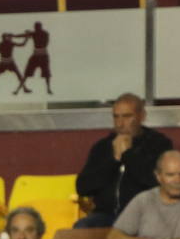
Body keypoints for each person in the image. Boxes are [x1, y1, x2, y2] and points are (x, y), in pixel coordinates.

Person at [74, 93, 173, 228]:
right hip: (105, 215)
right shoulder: (102, 146)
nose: (120, 124)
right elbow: (83, 187)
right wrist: (114, 160)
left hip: (144, 215)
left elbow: (156, 182)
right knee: (81, 228)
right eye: (116, 117)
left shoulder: (158, 143)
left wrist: (128, 155)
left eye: (127, 117)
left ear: (141, 116)